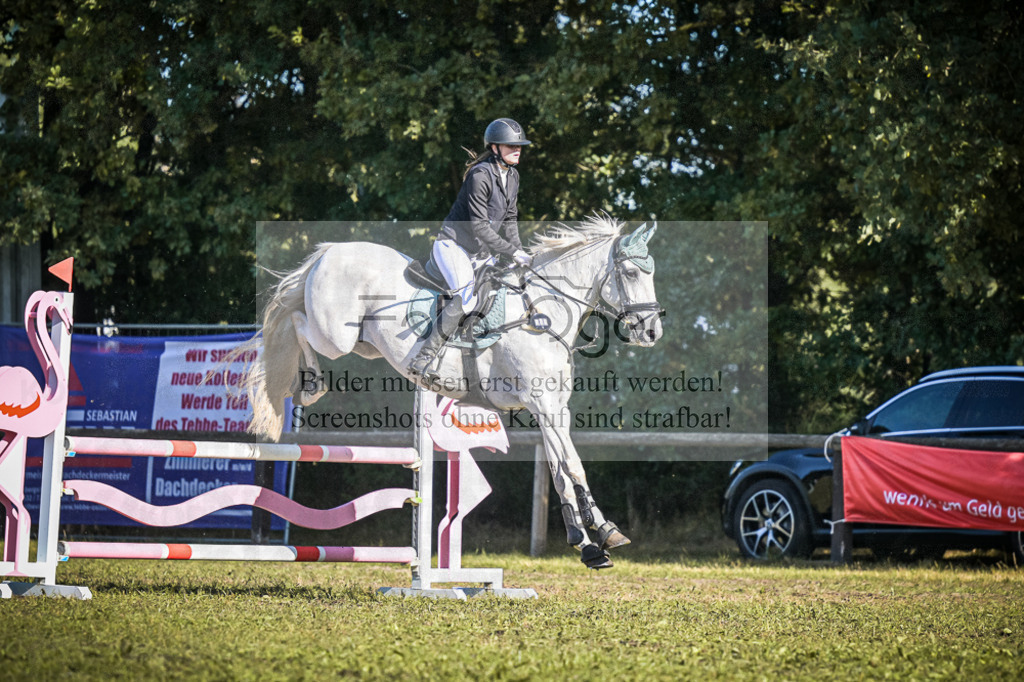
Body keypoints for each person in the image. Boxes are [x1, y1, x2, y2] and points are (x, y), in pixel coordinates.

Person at [407, 117, 534, 381]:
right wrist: (512, 252)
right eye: (511, 145)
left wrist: (519, 253)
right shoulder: (480, 175)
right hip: (453, 245)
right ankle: (423, 359)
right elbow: (480, 228)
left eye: (519, 145)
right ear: (495, 148)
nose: (517, 149)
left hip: (479, 253)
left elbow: (510, 221)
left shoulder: (513, 176)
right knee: (467, 298)